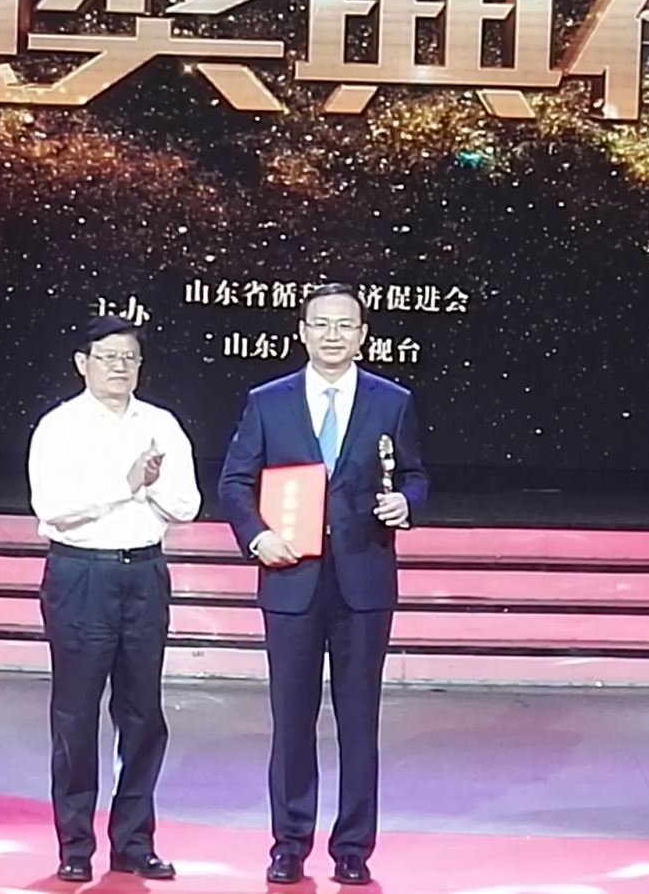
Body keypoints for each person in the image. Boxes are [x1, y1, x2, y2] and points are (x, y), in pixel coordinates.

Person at [217, 282, 429, 886]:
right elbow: (235, 482)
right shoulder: (268, 401)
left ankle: (354, 848)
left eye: (345, 325)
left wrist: (407, 504)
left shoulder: (392, 401)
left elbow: (415, 475)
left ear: (363, 335)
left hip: (364, 581)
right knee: (292, 720)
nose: (333, 335)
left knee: (359, 722)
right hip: (291, 579)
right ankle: (289, 844)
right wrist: (258, 536)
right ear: (303, 332)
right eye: (322, 324)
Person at [27, 315, 201, 883]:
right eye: (108, 357)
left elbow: (186, 504)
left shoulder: (161, 424)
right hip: (82, 575)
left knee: (143, 714)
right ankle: (75, 843)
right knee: (76, 715)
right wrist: (125, 486)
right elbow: (54, 507)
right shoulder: (59, 427)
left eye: (129, 358)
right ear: (83, 363)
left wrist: (145, 488)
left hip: (144, 574)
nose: (120, 368)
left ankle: (133, 841)